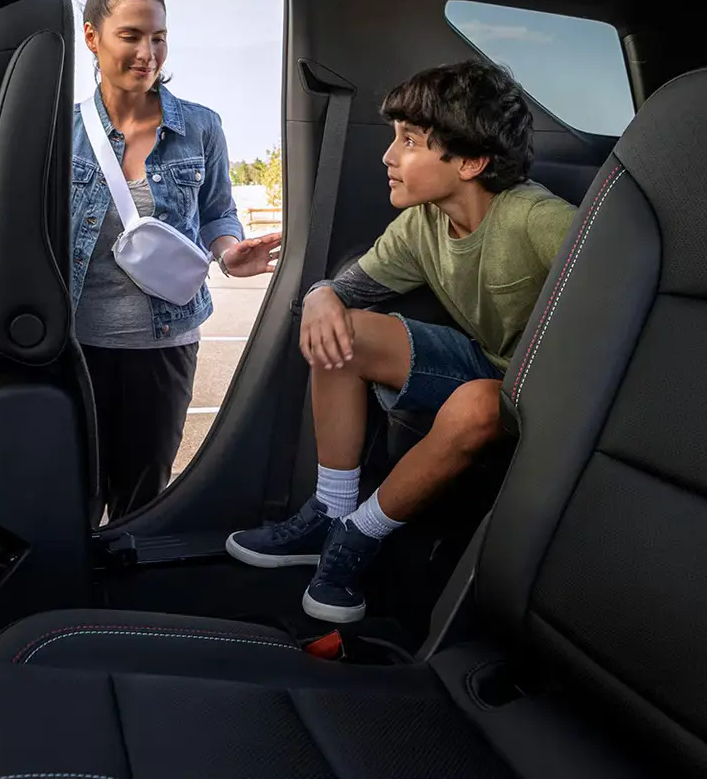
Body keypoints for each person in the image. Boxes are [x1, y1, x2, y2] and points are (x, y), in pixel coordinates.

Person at [226, 59, 576, 623]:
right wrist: (320, 296)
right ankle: (330, 514)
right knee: (344, 330)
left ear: (471, 161)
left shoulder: (538, 219)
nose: (389, 157)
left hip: (550, 397)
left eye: (409, 141)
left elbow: (619, 303)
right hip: (488, 365)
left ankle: (359, 538)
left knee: (480, 402)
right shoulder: (421, 226)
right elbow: (344, 292)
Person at [70, 0, 282, 519]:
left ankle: (121, 601)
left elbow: (217, 211)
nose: (148, 53)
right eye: (132, 36)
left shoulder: (201, 127)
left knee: (143, 496)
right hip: (75, 343)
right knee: (73, 490)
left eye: (159, 37)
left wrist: (230, 252)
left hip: (165, 343)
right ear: (92, 37)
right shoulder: (60, 130)